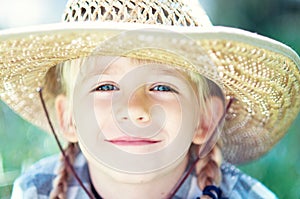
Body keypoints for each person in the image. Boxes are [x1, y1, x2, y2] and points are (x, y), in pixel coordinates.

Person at [0, 0, 299, 198]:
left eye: (162, 87)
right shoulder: (36, 190)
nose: (134, 110)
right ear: (68, 118)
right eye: (105, 87)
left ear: (205, 120)